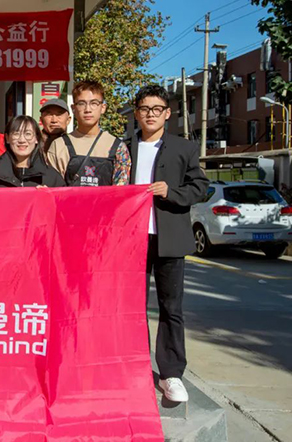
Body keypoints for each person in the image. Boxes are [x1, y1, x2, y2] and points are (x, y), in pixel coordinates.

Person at [130, 85, 209, 403]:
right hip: (131, 240)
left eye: (156, 109)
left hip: (170, 238)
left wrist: (171, 192)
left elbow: (200, 187)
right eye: (144, 108)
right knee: (132, 308)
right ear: (136, 113)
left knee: (171, 308)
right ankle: (134, 366)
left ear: (167, 113)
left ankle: (171, 373)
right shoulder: (124, 147)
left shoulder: (183, 147)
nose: (150, 114)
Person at [46, 80, 131, 187]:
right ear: (73, 108)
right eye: (81, 103)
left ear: (103, 108)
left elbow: (121, 190)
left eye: (94, 103)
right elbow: (53, 189)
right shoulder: (59, 146)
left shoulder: (118, 147)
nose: (87, 109)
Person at [0, 116, 66, 188]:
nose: (22, 140)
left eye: (28, 134)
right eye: (16, 134)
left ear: (36, 138)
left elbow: (64, 200)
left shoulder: (51, 178)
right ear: (7, 138)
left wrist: (49, 197)